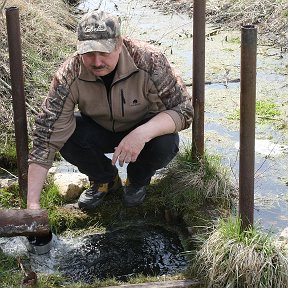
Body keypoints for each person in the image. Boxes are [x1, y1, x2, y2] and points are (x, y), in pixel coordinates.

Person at [27, 10, 193, 212]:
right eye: (88, 53)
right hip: (98, 129)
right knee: (66, 137)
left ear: (119, 43)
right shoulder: (69, 73)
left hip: (144, 128)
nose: (96, 62)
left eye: (104, 52)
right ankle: (104, 179)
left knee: (166, 143)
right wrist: (33, 205)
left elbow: (184, 109)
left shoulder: (149, 60)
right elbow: (45, 135)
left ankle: (137, 179)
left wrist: (142, 133)